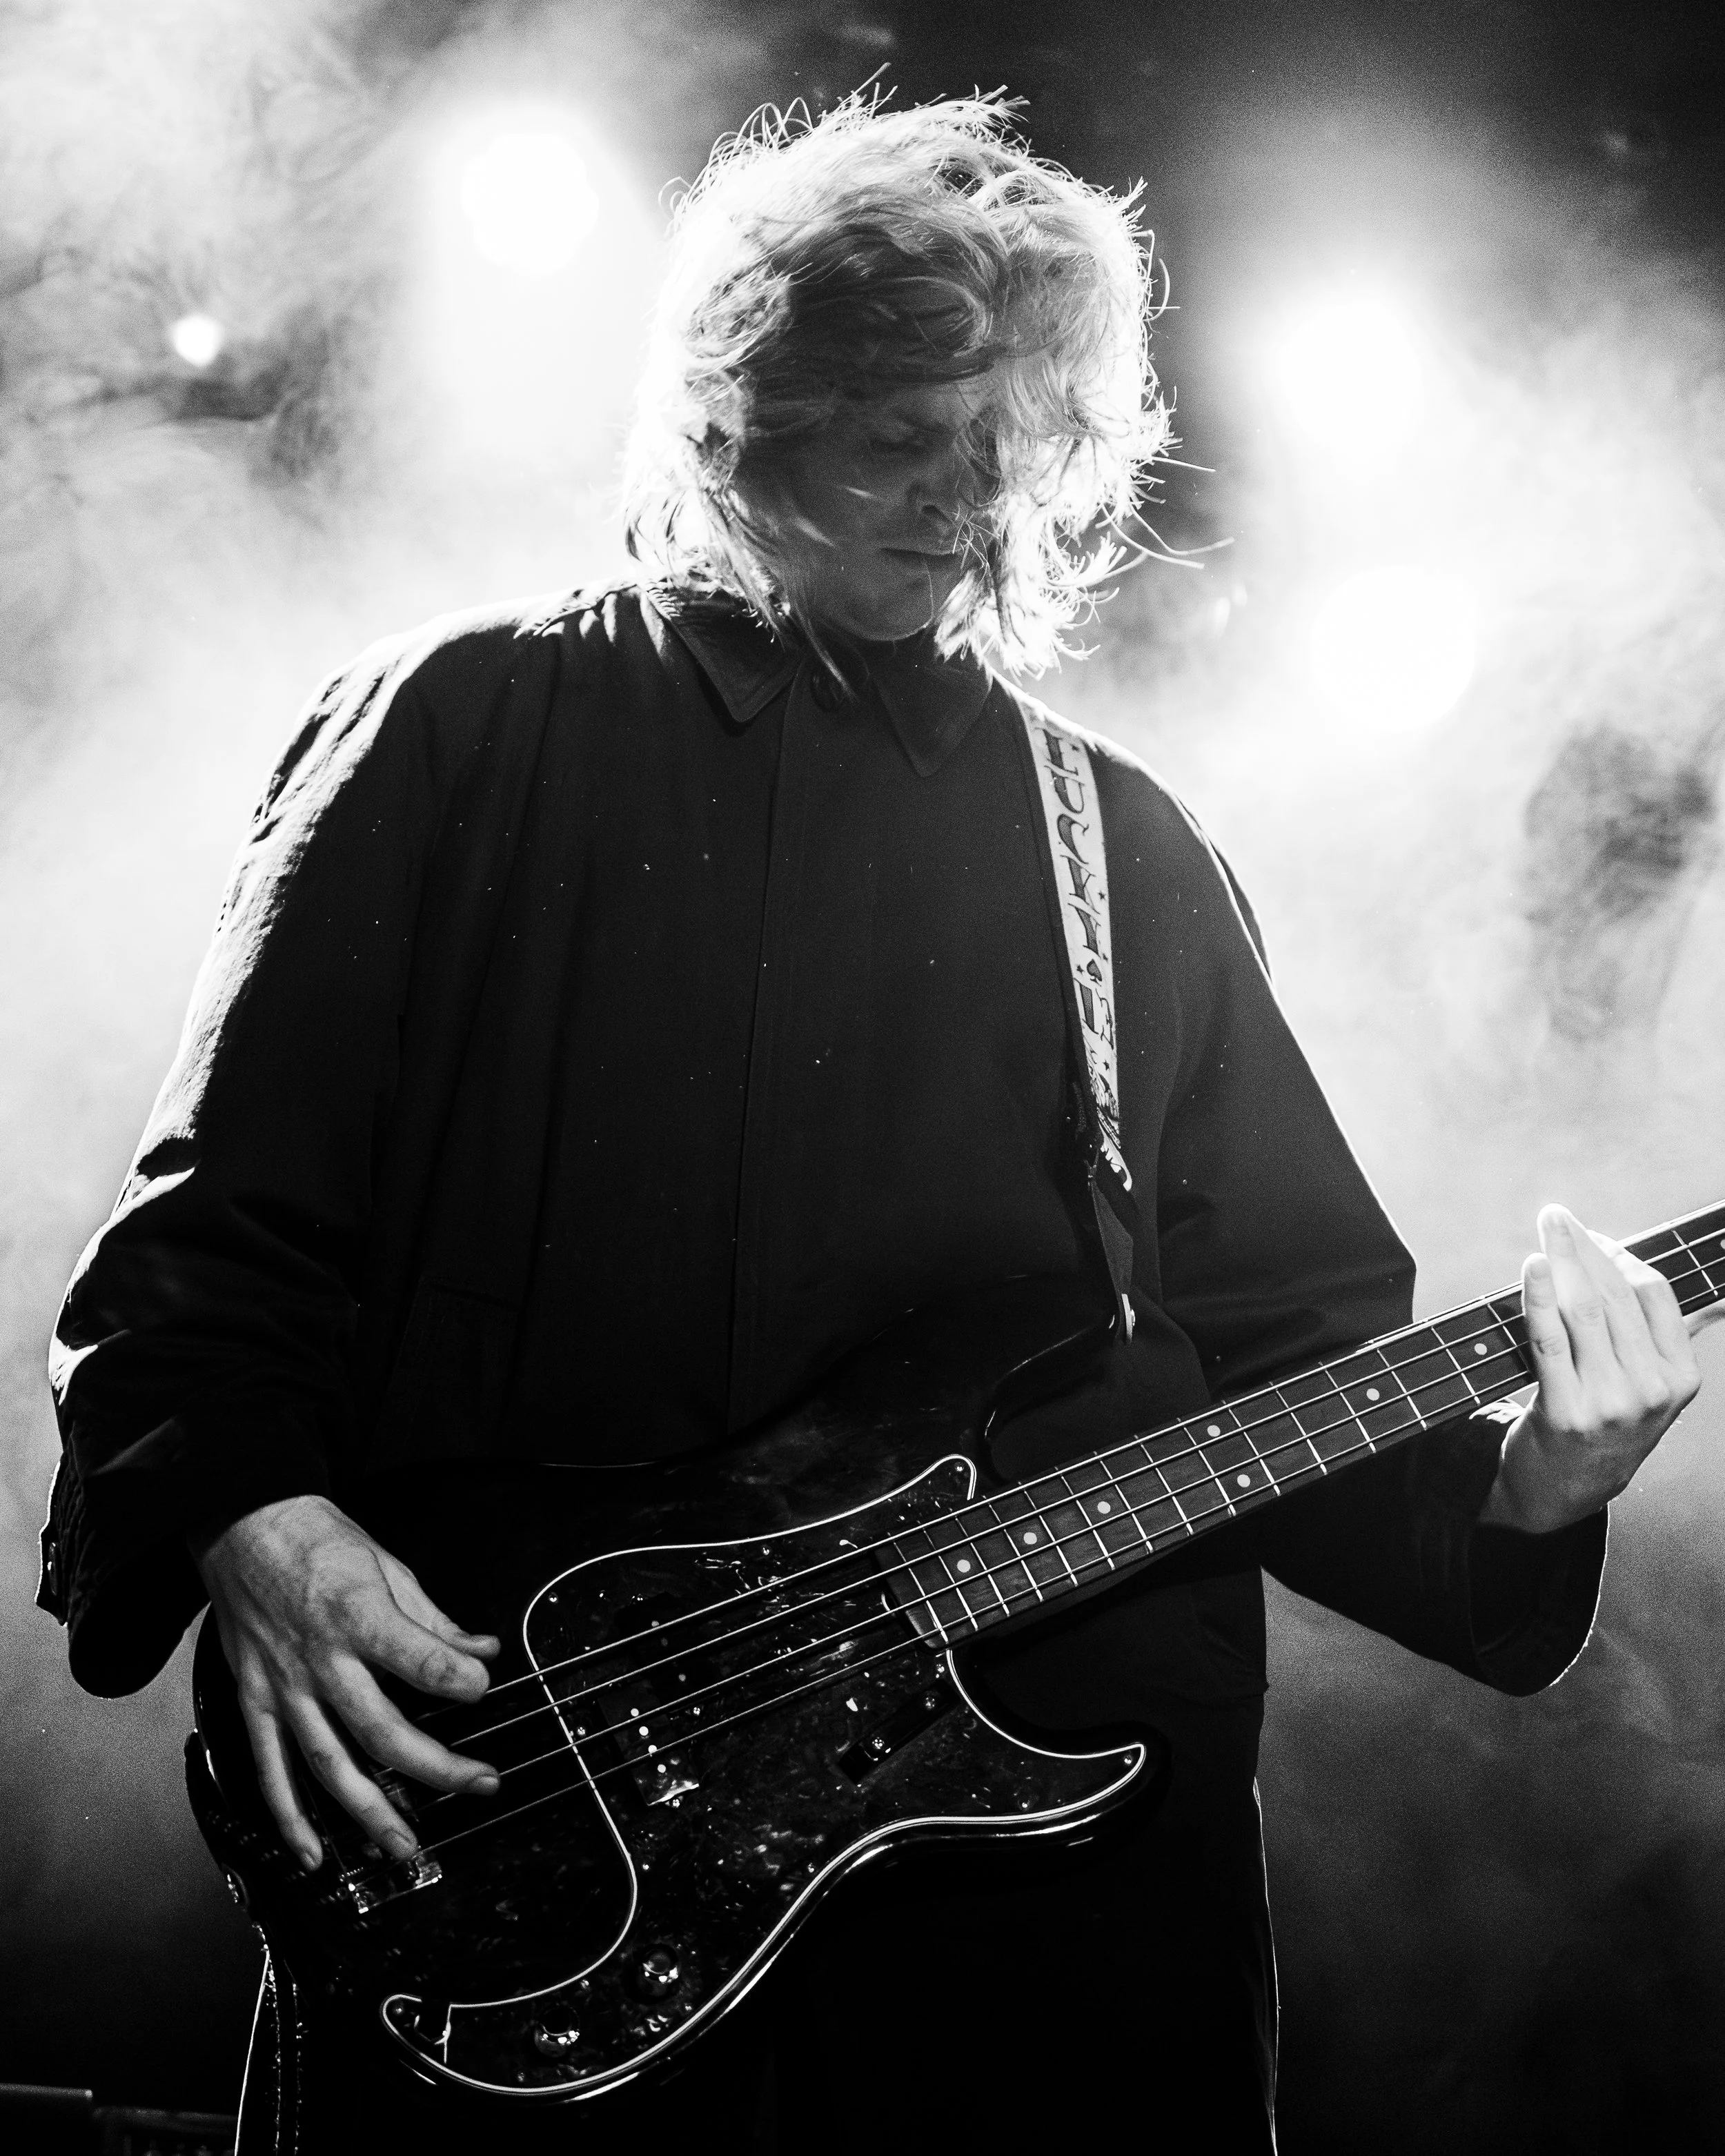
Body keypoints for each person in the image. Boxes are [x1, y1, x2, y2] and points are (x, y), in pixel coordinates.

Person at [39, 96, 1702, 2153]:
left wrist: (1539, 1482)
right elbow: (205, 1249)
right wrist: (255, 1526)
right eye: (900, 437)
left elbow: (1291, 1369)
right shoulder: (460, 734)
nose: (968, 503)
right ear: (737, 413)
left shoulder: (1125, 852)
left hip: (1044, 1934)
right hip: (544, 1837)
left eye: (1018, 443)